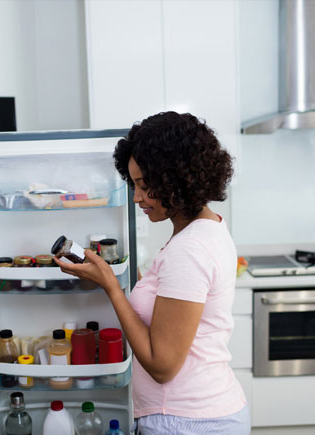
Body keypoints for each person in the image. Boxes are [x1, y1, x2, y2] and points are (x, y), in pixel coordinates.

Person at [54, 112, 250, 435]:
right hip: (199, 414)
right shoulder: (207, 229)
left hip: (189, 421)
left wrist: (112, 287)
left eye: (144, 185)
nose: (136, 197)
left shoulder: (189, 249)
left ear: (176, 178)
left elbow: (162, 366)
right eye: (134, 185)